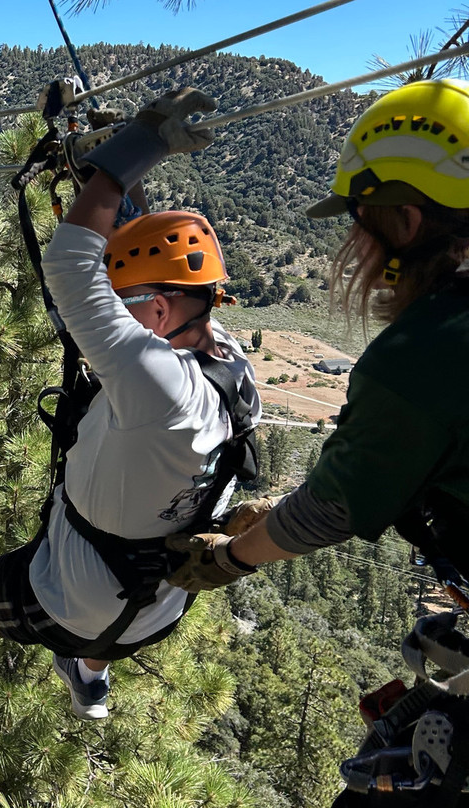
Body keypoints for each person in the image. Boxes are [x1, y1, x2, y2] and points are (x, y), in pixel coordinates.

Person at [0, 88, 262, 727]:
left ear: (157, 310)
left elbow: (71, 266)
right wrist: (109, 181)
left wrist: (137, 149)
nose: (113, 313)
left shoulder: (157, 383)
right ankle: (89, 681)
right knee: (116, 566)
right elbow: (140, 255)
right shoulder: (228, 366)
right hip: (156, 609)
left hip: (73, 601)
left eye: (127, 301)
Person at [163, 79, 469, 800]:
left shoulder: (429, 350)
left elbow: (331, 511)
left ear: (404, 220)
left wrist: (230, 558)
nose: (353, 245)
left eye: (360, 223)